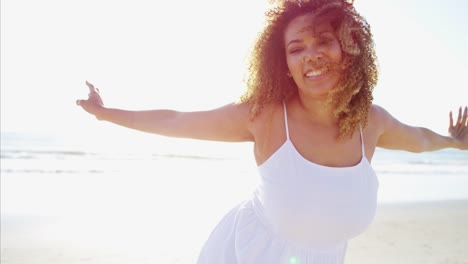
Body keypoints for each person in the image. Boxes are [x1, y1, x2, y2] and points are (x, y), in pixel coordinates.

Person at [76, 0, 468, 263]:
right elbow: (176, 120)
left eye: (324, 41)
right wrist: (106, 114)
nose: (311, 54)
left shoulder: (372, 122)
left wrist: (455, 142)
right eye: (297, 48)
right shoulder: (264, 117)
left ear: (349, 49)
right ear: (283, 64)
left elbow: (419, 139)